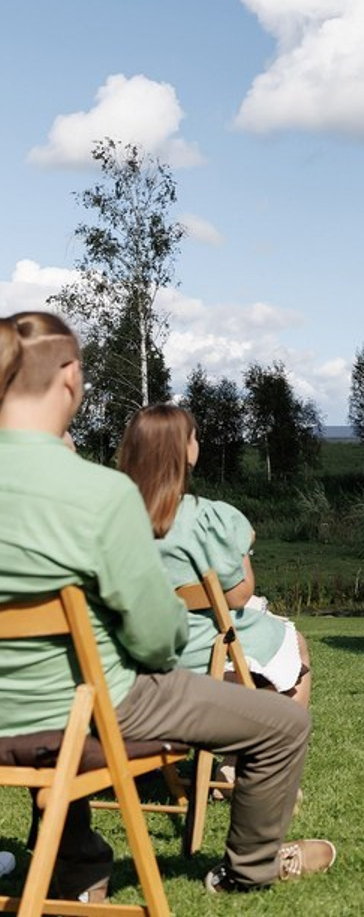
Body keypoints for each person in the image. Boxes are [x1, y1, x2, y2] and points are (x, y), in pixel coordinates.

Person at [0, 312, 334, 899]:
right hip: (93, 709)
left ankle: (77, 866)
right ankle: (247, 870)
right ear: (71, 378)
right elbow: (158, 641)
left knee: (65, 705)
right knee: (283, 724)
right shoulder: (100, 493)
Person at [117, 403, 312, 707]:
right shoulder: (208, 518)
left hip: (131, 651)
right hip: (198, 648)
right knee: (292, 644)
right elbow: (238, 597)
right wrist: (241, 550)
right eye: (194, 438)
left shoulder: (110, 517)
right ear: (186, 451)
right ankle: (269, 744)